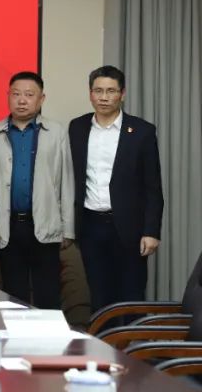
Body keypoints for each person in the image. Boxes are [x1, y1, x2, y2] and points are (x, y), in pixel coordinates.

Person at [68, 65, 163, 312]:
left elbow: (153, 186)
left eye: (111, 91)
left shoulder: (142, 131)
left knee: (131, 294)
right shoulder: (77, 128)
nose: (104, 97)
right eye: (98, 91)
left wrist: (151, 231)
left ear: (122, 93)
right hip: (90, 225)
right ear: (90, 94)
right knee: (98, 293)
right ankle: (102, 337)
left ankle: (130, 338)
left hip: (129, 227)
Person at [0, 72, 74, 309]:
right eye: (16, 94)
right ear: (8, 96)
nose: (22, 100)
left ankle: (49, 335)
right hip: (9, 226)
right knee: (14, 296)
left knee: (48, 295)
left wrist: (68, 227)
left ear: (41, 99)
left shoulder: (56, 132)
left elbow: (66, 181)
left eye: (29, 95)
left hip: (45, 223)